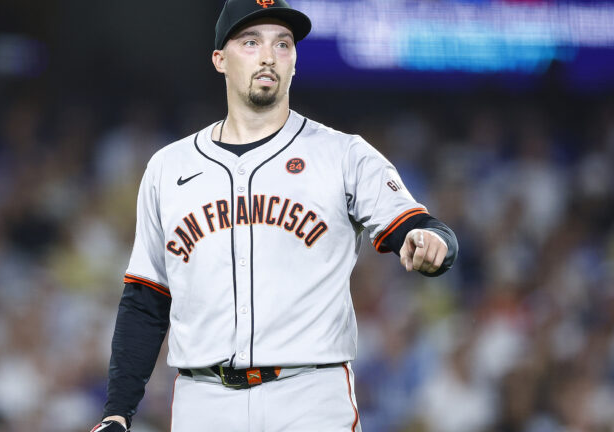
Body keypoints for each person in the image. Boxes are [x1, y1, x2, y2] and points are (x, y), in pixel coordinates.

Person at [90, 0, 458, 431]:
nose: (268, 56)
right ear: (219, 59)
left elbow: (418, 226)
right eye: (251, 42)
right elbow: (146, 299)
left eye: (282, 44)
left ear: (295, 62)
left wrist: (434, 242)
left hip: (310, 396)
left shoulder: (342, 154)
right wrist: (117, 410)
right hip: (204, 400)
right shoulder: (167, 168)